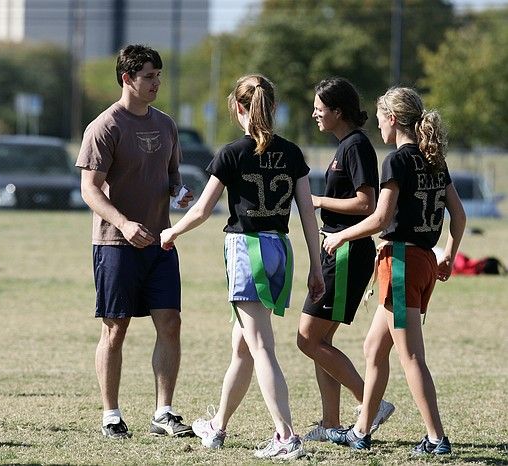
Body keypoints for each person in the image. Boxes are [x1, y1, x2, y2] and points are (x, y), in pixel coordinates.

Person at [160, 74, 325, 460]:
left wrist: (172, 233)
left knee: (261, 346)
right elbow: (306, 215)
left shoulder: (232, 152)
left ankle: (286, 436)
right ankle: (218, 426)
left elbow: (202, 209)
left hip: (247, 250)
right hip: (280, 250)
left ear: (238, 107)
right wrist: (316, 267)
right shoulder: (292, 153)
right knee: (243, 346)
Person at [322, 87, 465, 454]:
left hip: (400, 261)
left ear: (392, 119)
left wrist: (340, 238)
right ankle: (361, 431)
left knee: (411, 355)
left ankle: (437, 438)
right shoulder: (434, 159)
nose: (379, 126)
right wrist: (448, 254)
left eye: (381, 117)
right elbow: (459, 215)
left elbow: (381, 218)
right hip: (423, 261)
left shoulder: (397, 161)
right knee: (373, 347)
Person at [75, 44, 194, 440]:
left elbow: (172, 177)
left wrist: (179, 194)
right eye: (148, 76)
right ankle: (111, 414)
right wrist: (124, 224)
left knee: (171, 324)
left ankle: (164, 412)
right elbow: (90, 190)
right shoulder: (105, 126)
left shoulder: (166, 125)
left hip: (160, 243)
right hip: (115, 244)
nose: (156, 82)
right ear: (127, 78)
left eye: (158, 75)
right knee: (115, 329)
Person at [297, 77, 395, 442]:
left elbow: (366, 203)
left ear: (338, 111)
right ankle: (330, 423)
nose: (314, 114)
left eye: (320, 109)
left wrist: (319, 201)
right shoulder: (344, 145)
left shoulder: (356, 146)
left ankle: (373, 401)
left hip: (347, 252)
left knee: (308, 339)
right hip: (334, 249)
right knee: (322, 342)